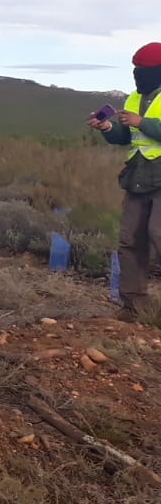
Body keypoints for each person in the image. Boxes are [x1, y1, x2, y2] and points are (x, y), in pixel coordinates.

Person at [92, 42, 161, 320]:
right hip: (137, 177)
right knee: (130, 241)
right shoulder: (133, 98)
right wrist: (108, 127)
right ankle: (134, 307)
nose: (138, 75)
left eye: (144, 70)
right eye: (136, 70)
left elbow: (142, 126)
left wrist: (140, 121)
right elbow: (127, 137)